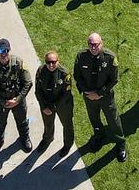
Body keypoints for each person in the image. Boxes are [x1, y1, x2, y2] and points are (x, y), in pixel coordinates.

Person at [73, 33, 126, 162]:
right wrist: (87, 92)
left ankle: (120, 143)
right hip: (89, 96)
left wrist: (99, 93)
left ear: (101, 43)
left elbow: (113, 80)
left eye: (96, 44)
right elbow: (77, 76)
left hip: (105, 96)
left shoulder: (110, 58)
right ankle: (99, 135)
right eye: (91, 44)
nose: (93, 47)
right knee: (94, 118)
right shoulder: (81, 57)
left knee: (113, 120)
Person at [0, 38, 33, 159]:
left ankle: (24, 137)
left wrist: (17, 99)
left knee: (22, 121)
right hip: (1, 103)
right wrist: (4, 102)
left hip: (17, 100)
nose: (3, 53)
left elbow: (28, 83)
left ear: (9, 50)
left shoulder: (18, 63)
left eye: (5, 50)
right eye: (0, 50)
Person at [35, 50, 75, 156]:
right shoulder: (40, 71)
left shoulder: (64, 74)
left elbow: (65, 95)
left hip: (63, 105)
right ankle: (47, 139)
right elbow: (38, 90)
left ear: (58, 61)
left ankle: (68, 144)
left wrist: (52, 107)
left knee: (67, 126)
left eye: (53, 62)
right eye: (48, 62)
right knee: (48, 124)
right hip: (46, 104)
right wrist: (43, 106)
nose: (51, 65)